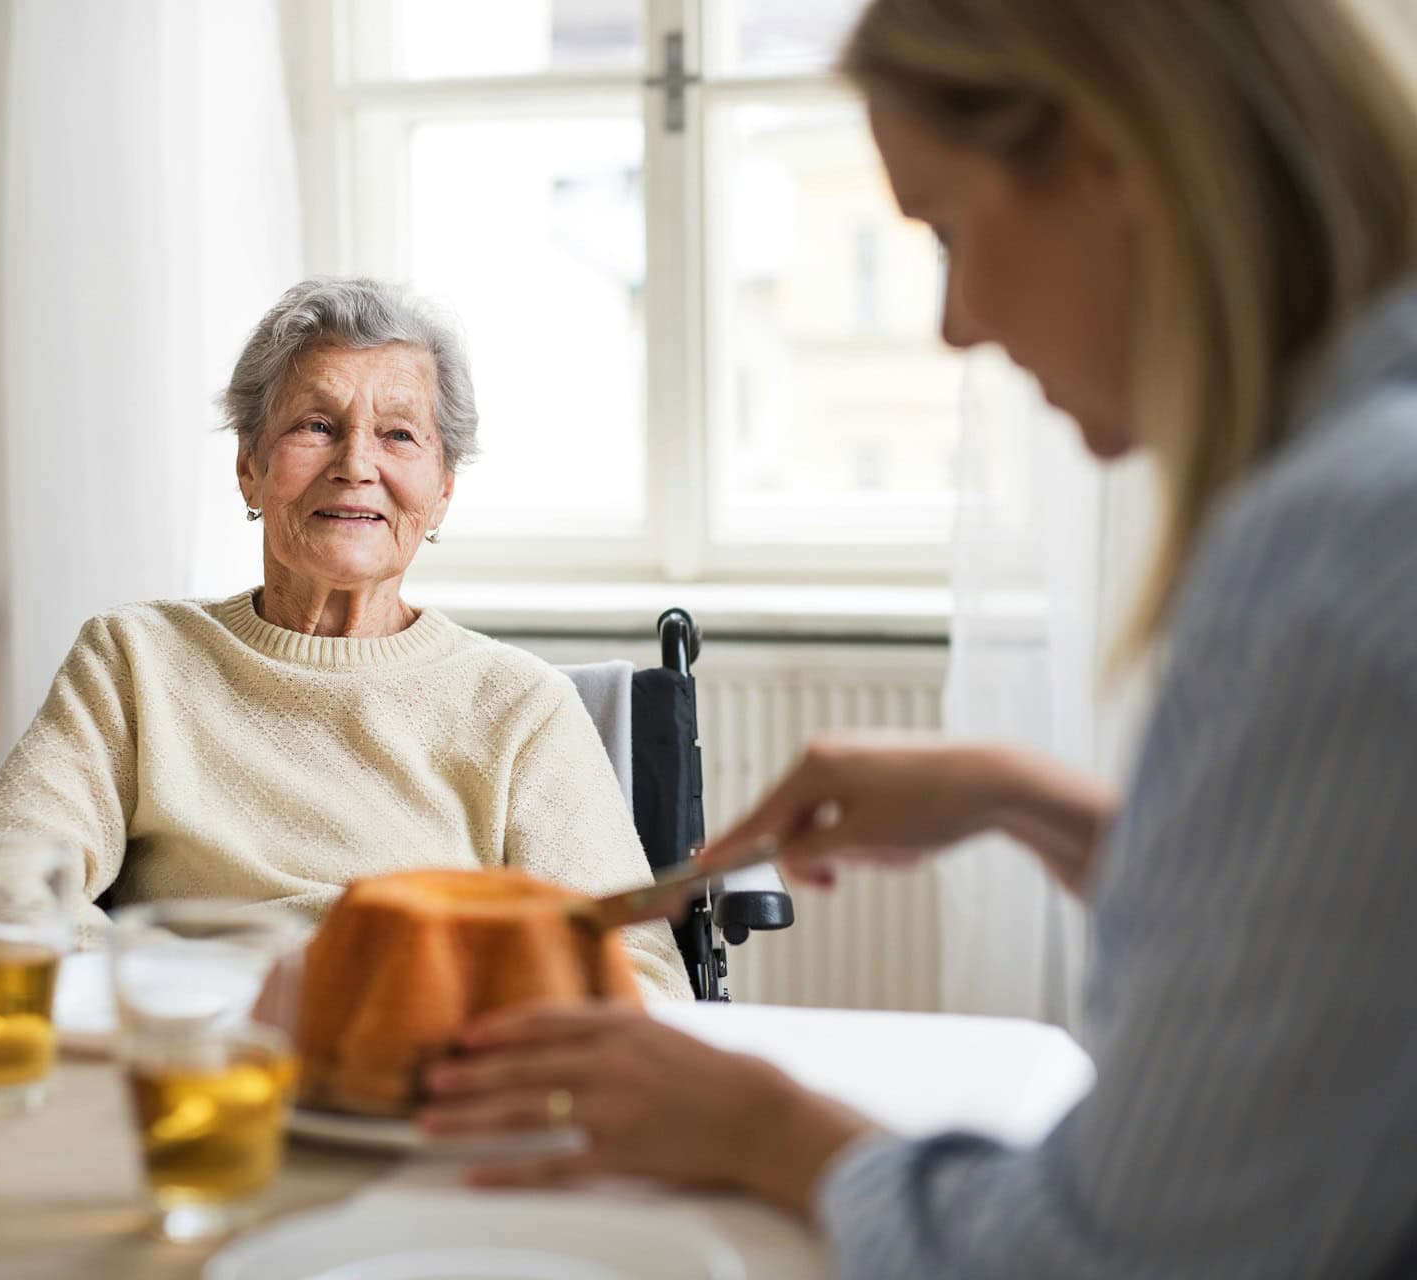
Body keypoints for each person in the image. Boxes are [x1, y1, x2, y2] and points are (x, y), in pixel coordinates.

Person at [420, 0, 1417, 1272]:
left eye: (947, 228)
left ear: (1112, 156)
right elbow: (1339, 955)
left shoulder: (1332, 557)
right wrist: (1032, 802)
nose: (956, 323)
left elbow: (1125, 1254)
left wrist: (763, 1123)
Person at [0, 277, 689, 999]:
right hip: (199, 1059)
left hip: (418, 1073)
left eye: (399, 435)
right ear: (250, 467)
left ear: (443, 489)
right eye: (315, 425)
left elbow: (639, 973)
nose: (355, 464)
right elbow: (5, 888)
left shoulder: (521, 705)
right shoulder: (133, 659)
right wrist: (187, 1000)